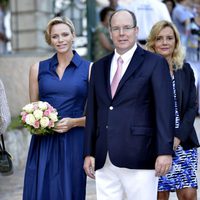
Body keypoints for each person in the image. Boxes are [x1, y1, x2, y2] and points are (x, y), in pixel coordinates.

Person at [84, 9, 175, 200]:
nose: (121, 33)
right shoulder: (98, 67)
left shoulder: (155, 63)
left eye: (127, 27)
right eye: (116, 28)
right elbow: (93, 112)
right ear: (110, 32)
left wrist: (165, 151)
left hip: (140, 154)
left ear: (136, 30)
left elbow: (164, 110)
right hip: (104, 158)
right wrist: (88, 152)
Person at [23, 16, 91, 200]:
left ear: (73, 36)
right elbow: (33, 109)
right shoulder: (37, 69)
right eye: (55, 36)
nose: (60, 40)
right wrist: (38, 124)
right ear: (49, 40)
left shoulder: (89, 68)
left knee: (70, 190)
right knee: (42, 191)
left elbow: (98, 115)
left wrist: (74, 123)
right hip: (44, 142)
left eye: (64, 34)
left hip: (74, 141)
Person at [146, 20, 200, 200]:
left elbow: (192, 106)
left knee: (188, 194)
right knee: (159, 196)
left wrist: (178, 136)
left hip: (183, 142)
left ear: (176, 42)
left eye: (169, 38)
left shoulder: (185, 69)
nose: (165, 42)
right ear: (152, 42)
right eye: (159, 38)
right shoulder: (144, 71)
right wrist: (163, 140)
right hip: (155, 144)